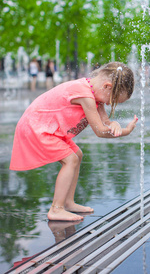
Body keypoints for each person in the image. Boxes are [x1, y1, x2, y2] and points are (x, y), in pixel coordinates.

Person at [10, 62, 138, 221]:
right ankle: (56, 209)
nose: (108, 104)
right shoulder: (86, 96)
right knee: (70, 159)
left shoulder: (93, 92)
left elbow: (106, 123)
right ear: (107, 86)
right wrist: (125, 131)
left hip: (49, 128)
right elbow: (100, 131)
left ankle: (68, 202)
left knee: (77, 154)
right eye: (112, 100)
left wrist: (115, 124)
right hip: (37, 126)